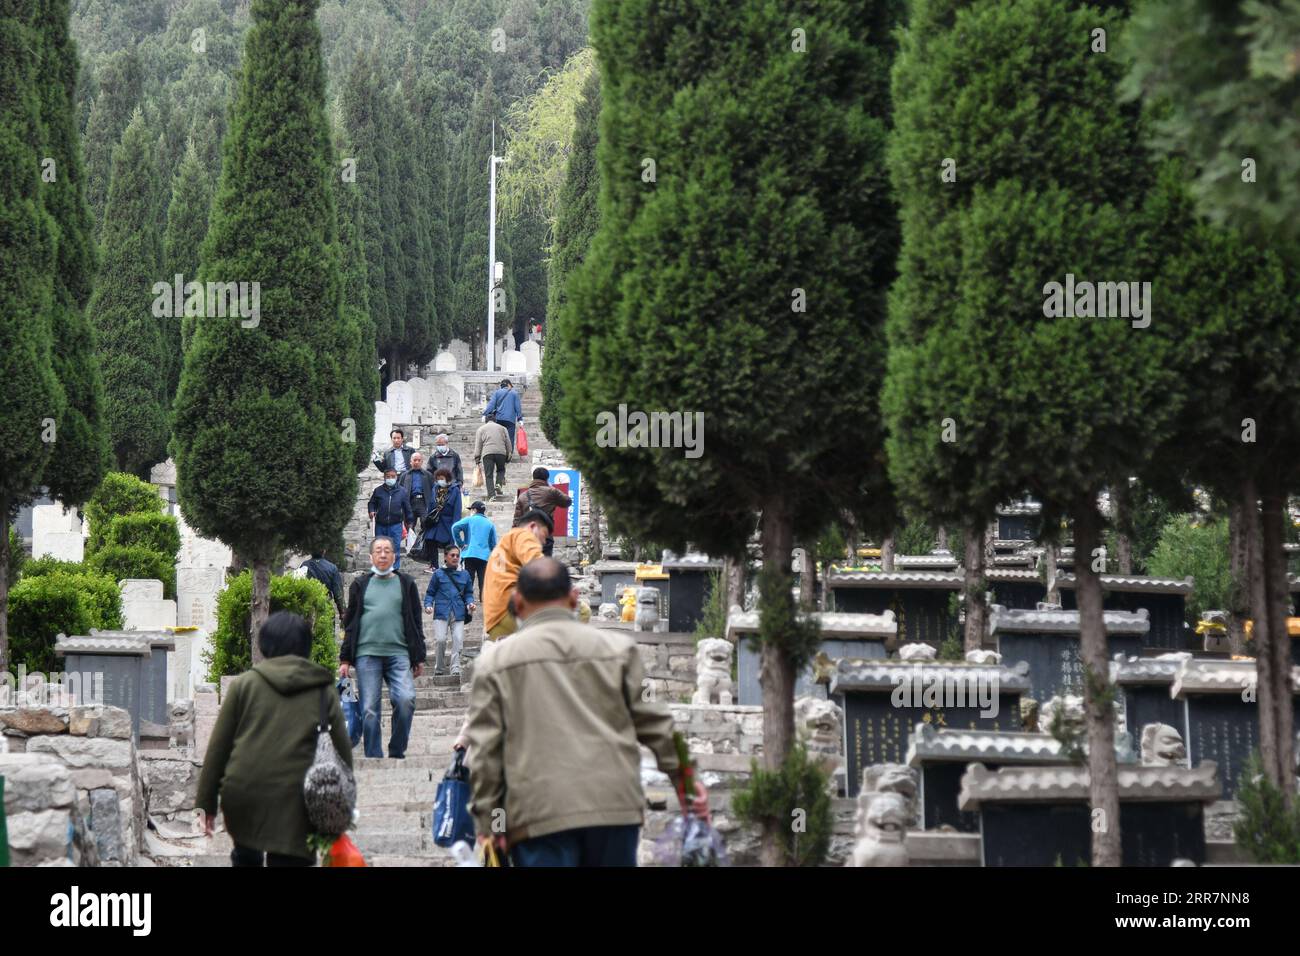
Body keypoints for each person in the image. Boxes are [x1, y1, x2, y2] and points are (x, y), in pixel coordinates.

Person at [464, 558, 709, 867]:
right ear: (574, 598)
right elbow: (659, 726)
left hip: (538, 814)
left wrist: (489, 824)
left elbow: (485, 752)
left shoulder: (495, 664)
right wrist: (688, 784)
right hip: (614, 808)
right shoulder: (619, 651)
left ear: (517, 602)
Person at [197, 611, 352, 866]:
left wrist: (205, 804)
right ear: (306, 646)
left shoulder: (244, 685)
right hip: (299, 798)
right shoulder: (323, 690)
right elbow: (343, 754)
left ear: (264, 644)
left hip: (244, 792)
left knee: (246, 855)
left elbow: (218, 749)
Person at [338, 537, 426, 759]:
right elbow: (351, 623)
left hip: (399, 653)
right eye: (379, 551)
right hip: (367, 654)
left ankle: (397, 750)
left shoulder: (406, 583)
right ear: (371, 557)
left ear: (394, 556)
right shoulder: (360, 585)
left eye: (388, 550)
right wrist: (345, 659)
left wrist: (418, 656)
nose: (383, 554)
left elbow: (416, 621)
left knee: (406, 700)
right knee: (369, 710)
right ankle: (374, 756)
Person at [482, 508, 550, 640]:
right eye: (544, 535)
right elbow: (538, 565)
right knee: (581, 611)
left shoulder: (505, 542)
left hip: (495, 618)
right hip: (511, 611)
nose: (544, 542)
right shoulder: (522, 535)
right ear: (533, 526)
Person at [423, 545, 476, 677]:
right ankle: (439, 668)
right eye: (452, 555)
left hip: (458, 612)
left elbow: (469, 593)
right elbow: (430, 593)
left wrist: (470, 603)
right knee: (440, 640)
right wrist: (428, 604)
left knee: (458, 639)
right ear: (445, 557)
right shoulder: (438, 574)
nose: (455, 558)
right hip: (441, 611)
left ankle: (456, 668)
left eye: (457, 556)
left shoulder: (465, 575)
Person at [512, 467, 573, 558]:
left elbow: (517, 520)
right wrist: (551, 487)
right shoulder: (551, 491)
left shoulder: (523, 496)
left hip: (526, 536)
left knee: (528, 564)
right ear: (547, 478)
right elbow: (567, 501)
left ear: (533, 478)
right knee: (544, 565)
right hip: (545, 535)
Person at [451, 500, 497, 602]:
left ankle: (468, 600)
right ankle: (483, 600)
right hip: (484, 556)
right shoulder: (490, 524)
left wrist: (461, 544)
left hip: (470, 554)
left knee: (469, 579)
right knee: (483, 580)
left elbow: (455, 527)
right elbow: (493, 543)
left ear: (475, 510)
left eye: (471, 509)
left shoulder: (469, 520)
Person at [368, 468, 412, 570]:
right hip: (380, 525)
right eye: (388, 476)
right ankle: (380, 569)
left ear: (396, 477)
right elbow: (372, 503)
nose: (390, 478)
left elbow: (407, 507)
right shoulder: (378, 491)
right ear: (384, 478)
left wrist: (409, 521)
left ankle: (394, 570)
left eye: (393, 476)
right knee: (379, 547)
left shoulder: (402, 491)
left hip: (395, 525)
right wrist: (371, 511)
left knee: (395, 548)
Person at [423, 467, 463, 562]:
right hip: (435, 521)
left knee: (448, 545)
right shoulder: (435, 488)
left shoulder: (455, 490)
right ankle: (434, 565)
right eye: (438, 479)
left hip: (448, 523)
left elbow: (457, 509)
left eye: (442, 478)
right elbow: (430, 504)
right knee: (430, 540)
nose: (440, 481)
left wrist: (455, 525)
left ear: (447, 479)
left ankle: (448, 564)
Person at [473, 416, 512, 501]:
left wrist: (477, 457)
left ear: (486, 421)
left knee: (489, 475)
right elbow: (508, 442)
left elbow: (478, 444)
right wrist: (509, 453)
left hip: (487, 454)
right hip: (501, 452)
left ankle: (491, 495)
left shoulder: (481, 429)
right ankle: (498, 484)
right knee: (501, 470)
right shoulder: (503, 428)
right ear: (495, 421)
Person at [301, 552, 345, 617]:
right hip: (326, 608)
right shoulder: (332, 567)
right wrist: (342, 612)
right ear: (324, 551)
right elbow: (338, 594)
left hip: (308, 609)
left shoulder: (304, 566)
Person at [482, 378, 522, 450]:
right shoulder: (514, 394)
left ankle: (499, 452)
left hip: (499, 419)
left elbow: (491, 405)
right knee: (510, 438)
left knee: (498, 437)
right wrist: (520, 419)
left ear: (501, 386)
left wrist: (485, 414)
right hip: (510, 420)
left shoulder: (497, 393)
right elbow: (518, 407)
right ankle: (509, 454)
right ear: (509, 385)